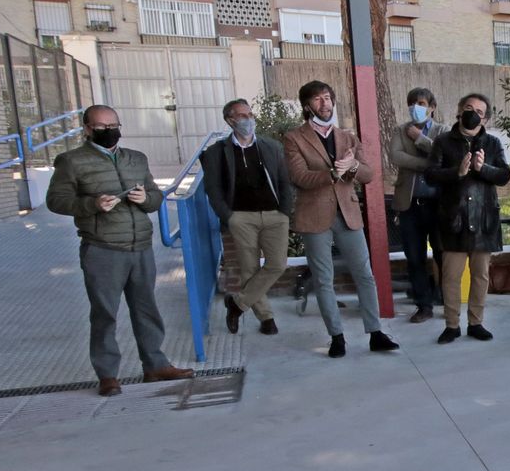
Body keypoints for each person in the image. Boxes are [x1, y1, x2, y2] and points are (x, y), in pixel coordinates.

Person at [47, 105, 195, 395]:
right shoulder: (71, 162)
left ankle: (155, 365)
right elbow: (56, 200)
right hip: (103, 248)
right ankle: (108, 374)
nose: (110, 131)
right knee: (105, 313)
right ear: (87, 129)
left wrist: (146, 198)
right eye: (102, 127)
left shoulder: (136, 159)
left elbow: (155, 197)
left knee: (146, 309)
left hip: (140, 246)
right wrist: (91, 205)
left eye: (113, 125)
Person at [282, 81, 400, 358]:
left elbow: (369, 174)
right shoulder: (294, 138)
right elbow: (299, 177)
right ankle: (337, 337)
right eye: (318, 100)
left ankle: (375, 333)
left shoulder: (347, 137)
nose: (325, 104)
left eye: (328, 98)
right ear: (307, 106)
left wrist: (354, 166)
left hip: (347, 213)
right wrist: (335, 172)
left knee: (365, 274)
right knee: (324, 279)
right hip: (314, 215)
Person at [203, 98, 295, 337]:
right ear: (230, 120)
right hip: (240, 217)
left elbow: (284, 181)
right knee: (249, 268)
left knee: (277, 264)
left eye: (250, 114)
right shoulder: (216, 153)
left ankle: (237, 304)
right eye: (242, 116)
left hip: (275, 215)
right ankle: (266, 317)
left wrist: (285, 210)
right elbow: (212, 189)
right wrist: (228, 216)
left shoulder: (271, 146)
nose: (248, 119)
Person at [424, 93, 510, 343]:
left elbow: (504, 176)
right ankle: (452, 325)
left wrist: (483, 169)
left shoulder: (492, 144)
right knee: (451, 275)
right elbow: (430, 174)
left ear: (485, 118)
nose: (473, 114)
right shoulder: (442, 142)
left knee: (480, 275)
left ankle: (476, 322)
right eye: (469, 108)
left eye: (479, 112)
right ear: (459, 111)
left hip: (484, 220)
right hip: (453, 219)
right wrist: (457, 172)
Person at [390, 86, 443, 323]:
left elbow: (445, 156)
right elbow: (396, 157)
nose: (416, 108)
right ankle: (424, 305)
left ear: (432, 107)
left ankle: (446, 300)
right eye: (412, 103)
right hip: (410, 204)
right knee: (414, 257)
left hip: (439, 204)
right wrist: (427, 164)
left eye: (421, 103)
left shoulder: (444, 131)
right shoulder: (399, 130)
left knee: (443, 255)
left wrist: (419, 139)